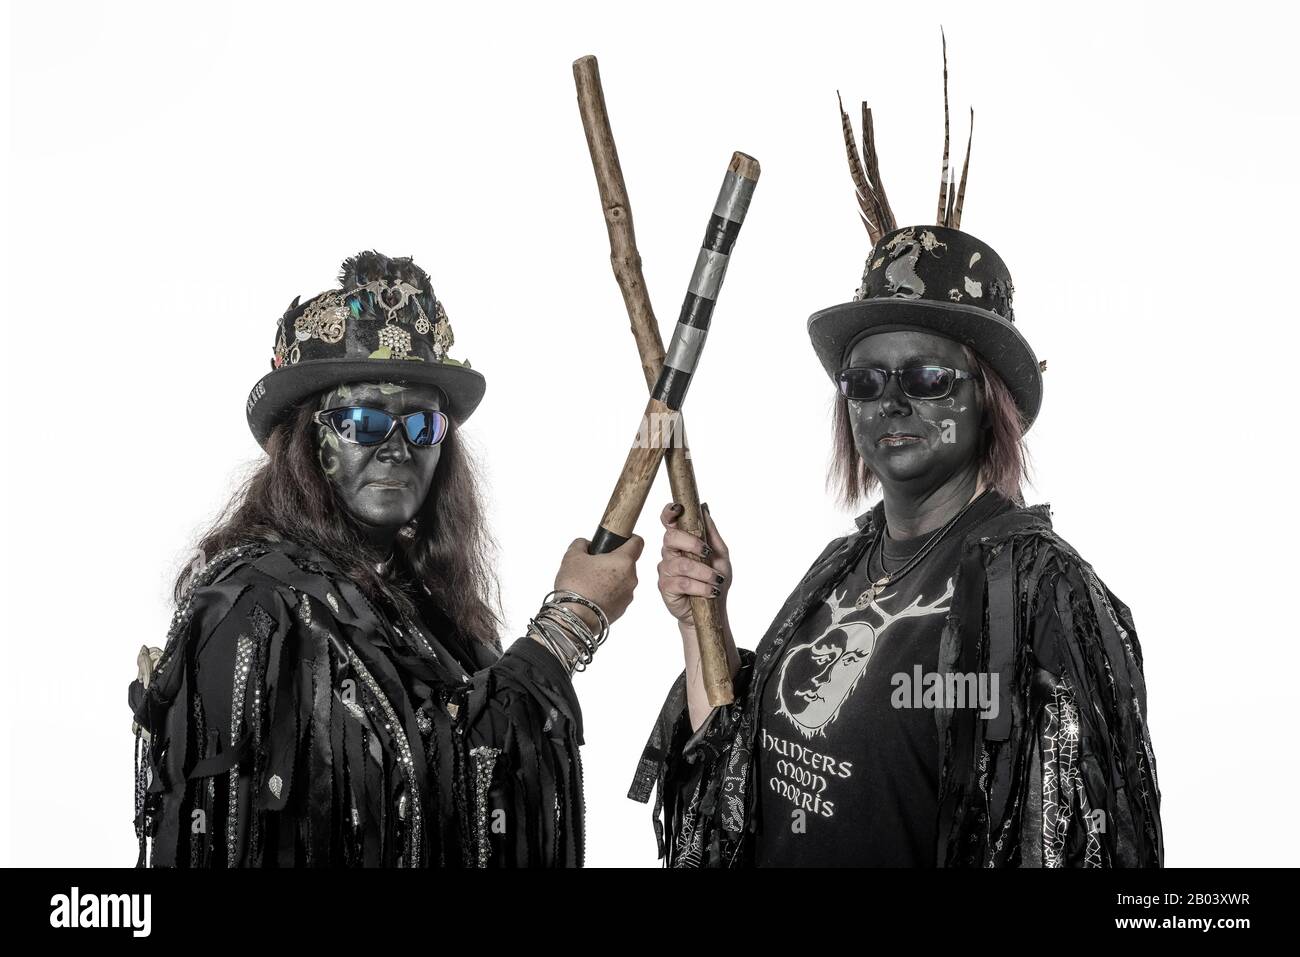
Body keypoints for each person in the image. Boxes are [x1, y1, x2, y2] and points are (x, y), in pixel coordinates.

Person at [630, 62, 1163, 867]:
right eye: (867, 380)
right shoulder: (839, 570)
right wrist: (703, 617)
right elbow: (729, 788)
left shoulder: (1047, 598)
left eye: (928, 377)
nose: (893, 401)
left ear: (988, 397)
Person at [130, 251, 642, 867]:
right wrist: (569, 623)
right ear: (302, 439)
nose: (398, 449)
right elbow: (406, 803)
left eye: (423, 426)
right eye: (364, 421)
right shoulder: (251, 607)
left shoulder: (417, 604)